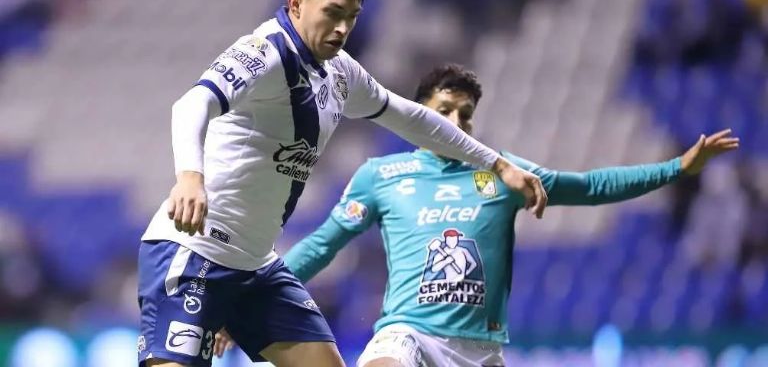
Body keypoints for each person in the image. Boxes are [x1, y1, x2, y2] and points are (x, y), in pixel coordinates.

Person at [136, 0, 548, 367]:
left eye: (351, 17)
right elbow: (192, 104)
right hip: (195, 253)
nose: (342, 29)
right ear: (296, 5)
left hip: (256, 268)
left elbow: (413, 118)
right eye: (332, 13)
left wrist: (496, 163)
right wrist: (190, 177)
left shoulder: (339, 72)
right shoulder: (263, 54)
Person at [213, 64, 739, 366]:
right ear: (418, 117)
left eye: (465, 114)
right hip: (408, 334)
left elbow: (592, 187)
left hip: (479, 351)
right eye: (443, 111)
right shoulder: (382, 175)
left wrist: (678, 168)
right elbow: (321, 244)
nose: (456, 122)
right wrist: (249, 305)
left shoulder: (505, 173)